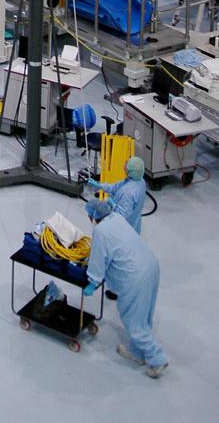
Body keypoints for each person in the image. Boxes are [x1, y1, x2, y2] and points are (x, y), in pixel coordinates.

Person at [83, 198, 168, 377]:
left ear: (92, 216)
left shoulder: (100, 231)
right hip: (150, 266)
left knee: (134, 320)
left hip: (134, 277)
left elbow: (99, 259)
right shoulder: (117, 218)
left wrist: (92, 282)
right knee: (144, 314)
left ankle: (157, 358)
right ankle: (137, 352)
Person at [86, 156, 147, 233]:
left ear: (131, 171)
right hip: (134, 222)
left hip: (125, 230)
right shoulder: (140, 181)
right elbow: (115, 187)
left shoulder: (128, 194)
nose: (125, 164)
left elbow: (122, 216)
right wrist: (100, 185)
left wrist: (113, 205)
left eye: (127, 164)